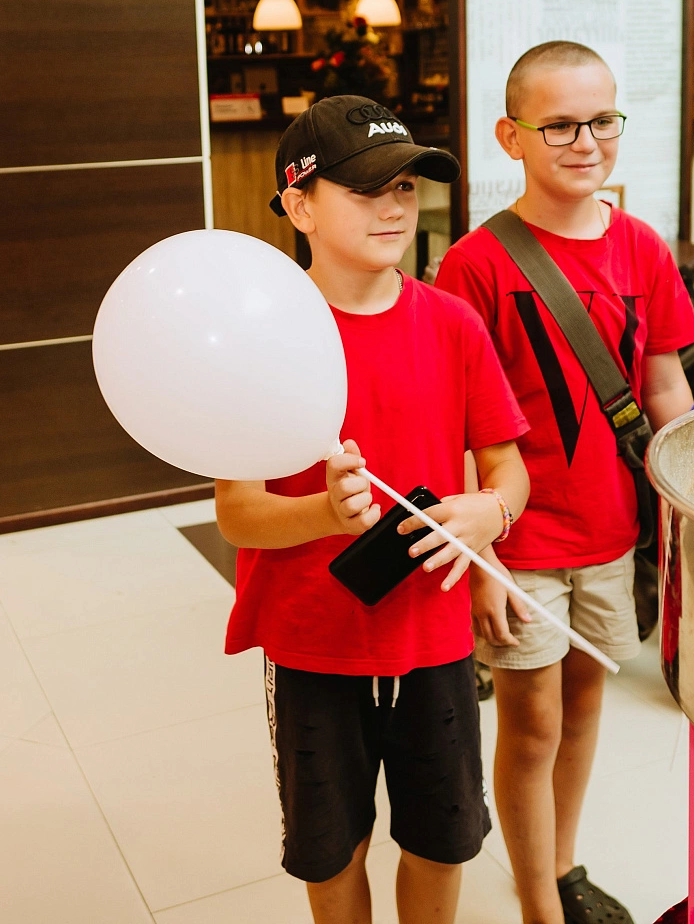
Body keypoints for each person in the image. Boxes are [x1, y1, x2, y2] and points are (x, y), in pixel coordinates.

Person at [216, 96, 532, 924]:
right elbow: (238, 515)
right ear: (299, 207)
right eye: (365, 190)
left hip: (433, 638)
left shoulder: (453, 325)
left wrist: (490, 519)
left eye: (405, 187)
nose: (393, 207)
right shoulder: (263, 341)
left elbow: (506, 468)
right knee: (334, 850)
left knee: (440, 841)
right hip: (312, 641)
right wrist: (325, 515)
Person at [435, 41, 694, 924]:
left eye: (601, 121)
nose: (585, 142)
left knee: (584, 708)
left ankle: (560, 864)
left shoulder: (640, 248)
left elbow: (663, 384)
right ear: (511, 136)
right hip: (520, 537)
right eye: (558, 126)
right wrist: (479, 560)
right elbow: (457, 426)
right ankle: (540, 905)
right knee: (532, 722)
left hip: (610, 530)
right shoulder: (476, 264)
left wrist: (690, 502)